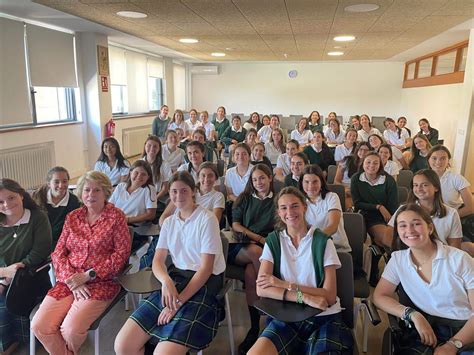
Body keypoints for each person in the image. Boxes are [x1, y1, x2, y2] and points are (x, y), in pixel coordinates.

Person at [114, 171, 226, 355]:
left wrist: (178, 303)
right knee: (123, 345)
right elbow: (158, 260)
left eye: (184, 191)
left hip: (203, 285)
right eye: (174, 192)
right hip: (176, 280)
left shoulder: (207, 219)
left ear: (193, 191)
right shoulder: (169, 222)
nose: (178, 196)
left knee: (163, 353)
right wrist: (166, 281)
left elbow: (206, 269)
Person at [31, 171, 130, 355]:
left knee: (70, 330)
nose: (90, 195)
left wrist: (86, 276)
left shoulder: (116, 217)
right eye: (86, 190)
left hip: (100, 283)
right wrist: (72, 280)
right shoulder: (73, 217)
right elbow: (58, 252)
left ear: (105, 192)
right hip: (69, 281)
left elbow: (121, 256)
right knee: (39, 325)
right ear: (80, 193)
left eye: (96, 190)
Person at [249, 187, 353, 355]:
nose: (289, 211)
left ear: (305, 207)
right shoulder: (273, 241)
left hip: (322, 317)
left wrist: (284, 285)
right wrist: (304, 297)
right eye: (283, 207)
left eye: (294, 206)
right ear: (278, 212)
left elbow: (329, 296)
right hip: (286, 315)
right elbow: (262, 288)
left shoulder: (323, 242)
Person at [373, 204, 473, 355]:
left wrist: (453, 345)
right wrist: (412, 314)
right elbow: (379, 296)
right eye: (402, 226)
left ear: (430, 228)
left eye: (416, 224)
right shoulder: (398, 259)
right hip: (426, 327)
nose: (410, 230)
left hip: (465, 330)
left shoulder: (459, 259)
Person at [0, 179, 52, 354]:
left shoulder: (38, 218)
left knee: (10, 303)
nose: (7, 204)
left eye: (11, 197)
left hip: (30, 277)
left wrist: (5, 281)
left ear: (21, 195)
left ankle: (14, 341)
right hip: (4, 275)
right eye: (0, 201)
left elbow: (38, 253)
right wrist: (3, 276)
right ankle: (5, 343)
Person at [230, 164, 276, 354]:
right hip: (242, 244)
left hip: (268, 246)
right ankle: (270, 306)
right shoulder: (244, 198)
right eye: (255, 179)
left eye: (262, 178)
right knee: (256, 254)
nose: (259, 182)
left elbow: (282, 226)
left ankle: (255, 327)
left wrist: (267, 242)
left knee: (251, 275)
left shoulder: (278, 199)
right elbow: (235, 225)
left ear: (270, 178)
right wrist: (258, 238)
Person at [350, 152, 399, 284]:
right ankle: (388, 274)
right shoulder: (356, 178)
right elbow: (357, 203)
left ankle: (381, 271)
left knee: (388, 241)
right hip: (365, 214)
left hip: (387, 216)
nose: (371, 165)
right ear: (363, 163)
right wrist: (378, 206)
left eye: (375, 163)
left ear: (380, 165)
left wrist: (391, 221)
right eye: (368, 162)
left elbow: (394, 205)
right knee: (386, 241)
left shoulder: (388, 180)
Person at [386, 169, 463, 249]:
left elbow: (455, 247)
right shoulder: (404, 210)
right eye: (415, 185)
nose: (419, 189)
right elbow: (388, 236)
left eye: (424, 185)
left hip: (441, 258)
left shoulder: (451, 213)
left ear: (436, 187)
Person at [427, 145, 473, 253]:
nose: (438, 162)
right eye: (434, 158)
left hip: (455, 217)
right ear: (428, 159)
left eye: (443, 158)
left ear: (448, 160)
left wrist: (449, 216)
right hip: (429, 218)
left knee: (467, 248)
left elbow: (470, 207)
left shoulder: (456, 178)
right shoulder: (422, 177)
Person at [300, 165, 352, 252]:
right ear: (301, 183)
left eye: (315, 182)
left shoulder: (332, 197)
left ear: (321, 182)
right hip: (310, 248)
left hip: (336, 248)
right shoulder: (300, 202)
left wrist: (313, 242)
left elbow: (333, 226)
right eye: (306, 182)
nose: (310, 186)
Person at [159, 162, 225, 226]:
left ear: (216, 178)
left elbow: (214, 223)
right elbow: (163, 217)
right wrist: (167, 229)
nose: (206, 179)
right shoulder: (186, 192)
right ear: (198, 177)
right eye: (203, 175)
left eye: (210, 176)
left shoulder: (218, 196)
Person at [32, 166, 81, 246]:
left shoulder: (75, 202)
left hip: (61, 242)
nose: (61, 185)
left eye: (64, 181)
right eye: (56, 182)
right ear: (49, 184)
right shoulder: (37, 198)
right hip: (38, 240)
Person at [335, 142, 371, 209]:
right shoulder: (347, 160)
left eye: (366, 150)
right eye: (360, 149)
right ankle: (351, 213)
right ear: (357, 150)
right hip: (345, 188)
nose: (363, 152)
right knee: (346, 197)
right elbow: (336, 181)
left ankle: (353, 214)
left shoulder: (371, 165)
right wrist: (345, 189)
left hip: (361, 190)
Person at [141, 135, 172, 212]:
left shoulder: (165, 164)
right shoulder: (139, 163)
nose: (152, 148)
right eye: (149, 145)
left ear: (159, 149)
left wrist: (154, 199)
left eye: (155, 146)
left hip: (158, 196)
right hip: (142, 195)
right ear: (145, 146)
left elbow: (165, 188)